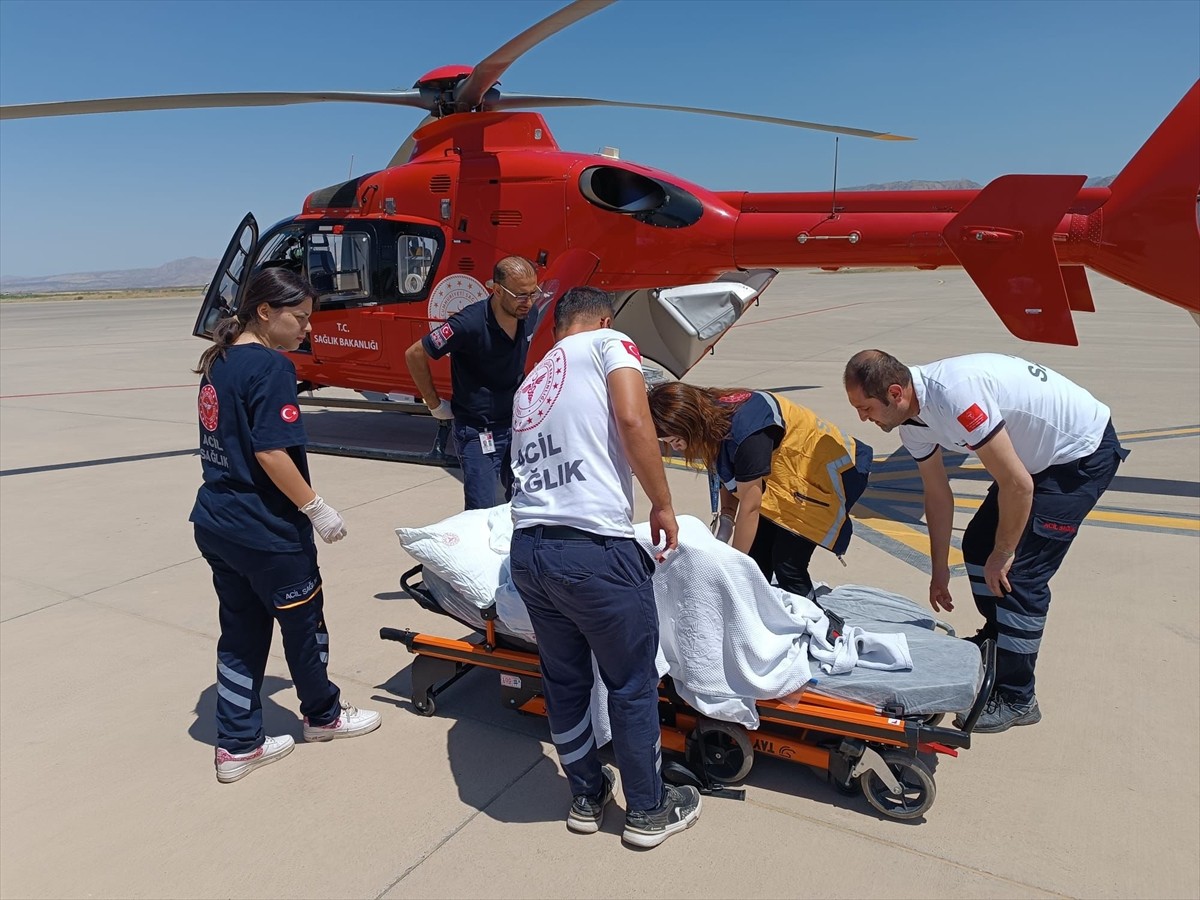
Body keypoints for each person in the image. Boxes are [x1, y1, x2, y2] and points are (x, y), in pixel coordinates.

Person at [507, 286, 701, 849]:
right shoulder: (610, 344)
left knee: (565, 682)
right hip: (593, 551)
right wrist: (662, 503)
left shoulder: (531, 381)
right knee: (630, 684)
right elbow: (634, 419)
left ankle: (586, 796)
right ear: (605, 319)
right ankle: (647, 810)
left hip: (530, 551)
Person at [843, 350, 1127, 733]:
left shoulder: (956, 397)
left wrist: (1005, 551)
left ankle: (1017, 697)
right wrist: (939, 569)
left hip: (1078, 454)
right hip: (1034, 460)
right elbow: (937, 494)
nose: (863, 418)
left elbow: (1018, 485)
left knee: (1020, 575)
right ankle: (998, 640)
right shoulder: (912, 423)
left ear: (895, 393)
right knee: (978, 545)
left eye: (865, 408)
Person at [190, 268, 381, 784]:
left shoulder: (219, 360)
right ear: (265, 312)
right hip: (266, 530)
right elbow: (271, 452)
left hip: (218, 522)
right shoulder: (271, 366)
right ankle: (324, 715)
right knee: (305, 624)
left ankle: (237, 745)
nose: (307, 328)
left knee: (240, 633)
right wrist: (316, 508)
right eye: (299, 317)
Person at [648, 382, 872, 599]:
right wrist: (726, 519)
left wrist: (733, 564)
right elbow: (729, 470)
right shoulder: (714, 414)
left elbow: (751, 506)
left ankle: (811, 618)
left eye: (675, 440)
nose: (675, 447)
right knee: (757, 559)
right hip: (788, 481)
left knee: (788, 565)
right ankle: (761, 612)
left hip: (829, 476)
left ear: (689, 422)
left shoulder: (747, 432)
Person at [405, 256, 542, 509]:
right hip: (479, 431)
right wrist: (434, 404)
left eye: (533, 292)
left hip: (517, 426)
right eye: (521, 295)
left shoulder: (529, 313)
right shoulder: (468, 324)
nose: (529, 302)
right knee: (481, 512)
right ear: (497, 290)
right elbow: (414, 354)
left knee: (528, 505)